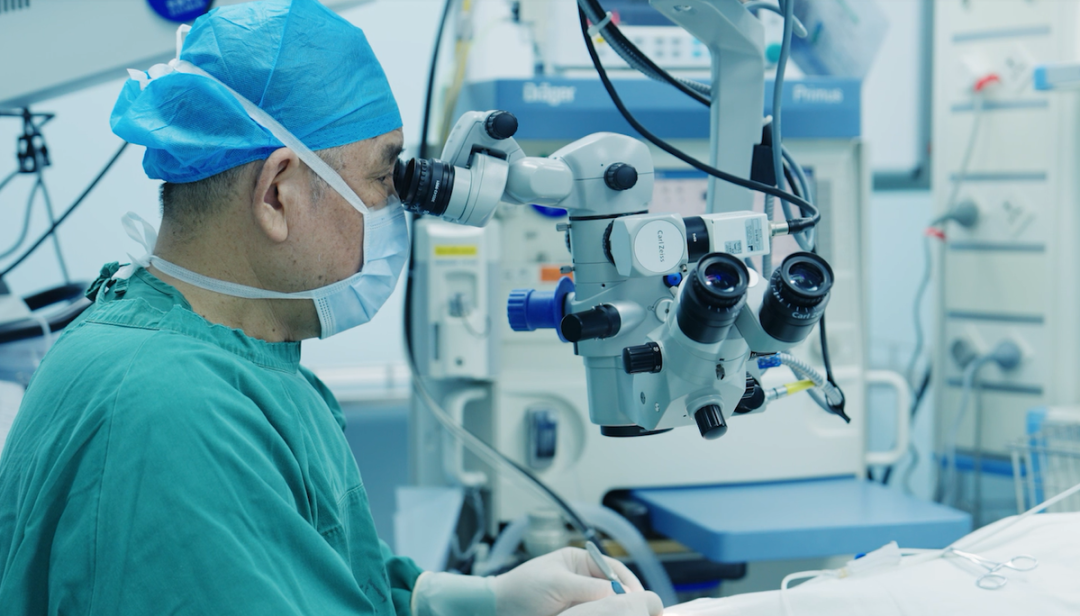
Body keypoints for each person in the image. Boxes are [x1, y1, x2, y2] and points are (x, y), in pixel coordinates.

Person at [0, 1, 664, 615]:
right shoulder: (171, 414)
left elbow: (324, 577)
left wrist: (476, 601)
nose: (398, 205)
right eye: (382, 176)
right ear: (278, 194)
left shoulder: (235, 358)